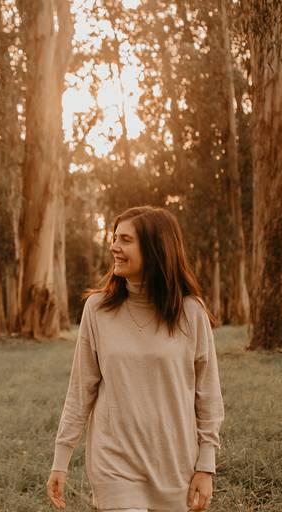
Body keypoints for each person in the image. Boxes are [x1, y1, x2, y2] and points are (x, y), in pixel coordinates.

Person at [46, 206, 225, 512]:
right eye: (114, 238)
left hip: (174, 463)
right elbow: (81, 390)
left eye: (125, 240)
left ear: (155, 248)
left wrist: (205, 466)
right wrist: (60, 460)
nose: (114, 246)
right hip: (114, 462)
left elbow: (208, 396)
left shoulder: (191, 312)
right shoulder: (97, 309)